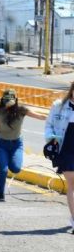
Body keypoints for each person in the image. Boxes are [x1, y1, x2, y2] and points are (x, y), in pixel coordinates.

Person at [0, 89, 46, 201]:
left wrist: (54, 117)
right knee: (3, 170)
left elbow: (39, 116)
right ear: (2, 100)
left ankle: (11, 165)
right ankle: (0, 194)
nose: (8, 103)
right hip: (1, 144)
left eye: (10, 101)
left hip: (16, 144)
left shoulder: (22, 111)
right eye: (6, 101)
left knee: (16, 168)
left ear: (15, 100)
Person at [44, 81, 74, 231]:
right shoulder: (59, 106)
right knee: (72, 184)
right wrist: (52, 137)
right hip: (66, 150)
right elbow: (48, 124)